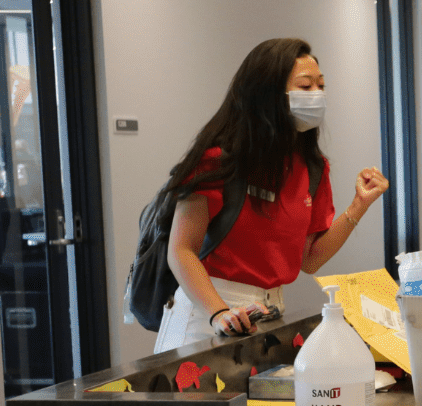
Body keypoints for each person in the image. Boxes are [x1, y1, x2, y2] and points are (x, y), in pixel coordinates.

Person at [153, 37, 389, 352]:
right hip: (206, 314)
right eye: (305, 87)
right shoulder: (218, 160)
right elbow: (181, 251)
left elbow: (310, 259)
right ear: (267, 94)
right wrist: (219, 313)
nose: (317, 95)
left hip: (269, 311)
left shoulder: (312, 167)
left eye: (321, 86)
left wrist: (360, 205)